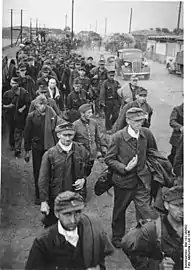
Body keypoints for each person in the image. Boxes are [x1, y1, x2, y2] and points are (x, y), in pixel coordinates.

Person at [104, 107, 158, 248]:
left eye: (141, 120)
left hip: (142, 181)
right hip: (123, 182)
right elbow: (109, 159)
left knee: (145, 211)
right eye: (136, 121)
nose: (139, 123)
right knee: (120, 210)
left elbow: (153, 154)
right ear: (128, 120)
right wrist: (125, 168)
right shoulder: (118, 137)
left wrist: (150, 171)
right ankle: (117, 237)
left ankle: (143, 237)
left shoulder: (147, 134)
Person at [25, 191, 114, 270]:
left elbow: (101, 261)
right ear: (57, 213)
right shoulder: (43, 242)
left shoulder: (92, 230)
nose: (73, 220)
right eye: (67, 214)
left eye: (77, 213)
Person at [38, 122, 89, 227]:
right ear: (58, 135)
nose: (68, 138)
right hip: (56, 198)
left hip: (75, 196)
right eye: (64, 135)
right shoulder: (50, 154)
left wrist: (83, 179)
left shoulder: (81, 150)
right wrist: (44, 201)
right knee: (54, 227)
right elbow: (43, 179)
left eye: (70, 135)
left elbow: (86, 168)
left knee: (73, 224)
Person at [121, 185, 183, 270]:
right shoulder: (151, 230)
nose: (183, 210)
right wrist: (158, 266)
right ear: (166, 205)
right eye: (178, 205)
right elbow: (136, 258)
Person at [24, 95, 62, 205]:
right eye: (39, 105)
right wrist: (27, 151)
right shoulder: (31, 117)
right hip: (37, 148)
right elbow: (27, 134)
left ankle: (50, 194)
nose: (41, 107)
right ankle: (38, 195)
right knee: (38, 171)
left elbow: (58, 125)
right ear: (35, 106)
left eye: (43, 104)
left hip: (49, 148)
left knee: (51, 170)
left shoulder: (51, 114)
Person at [73, 103, 107, 177]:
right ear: (82, 114)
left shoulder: (94, 122)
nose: (91, 114)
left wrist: (99, 151)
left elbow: (98, 138)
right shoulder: (75, 125)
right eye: (88, 112)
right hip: (81, 155)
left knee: (88, 171)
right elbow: (72, 141)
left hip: (92, 154)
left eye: (91, 112)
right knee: (80, 172)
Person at [2, 77, 29, 157]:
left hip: (20, 116)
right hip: (10, 116)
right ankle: (12, 144)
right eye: (12, 83)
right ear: (10, 84)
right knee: (11, 130)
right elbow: (2, 105)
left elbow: (27, 103)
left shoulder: (23, 92)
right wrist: (8, 106)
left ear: (18, 84)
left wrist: (22, 108)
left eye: (15, 83)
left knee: (18, 131)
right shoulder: (7, 94)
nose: (13, 85)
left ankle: (18, 149)